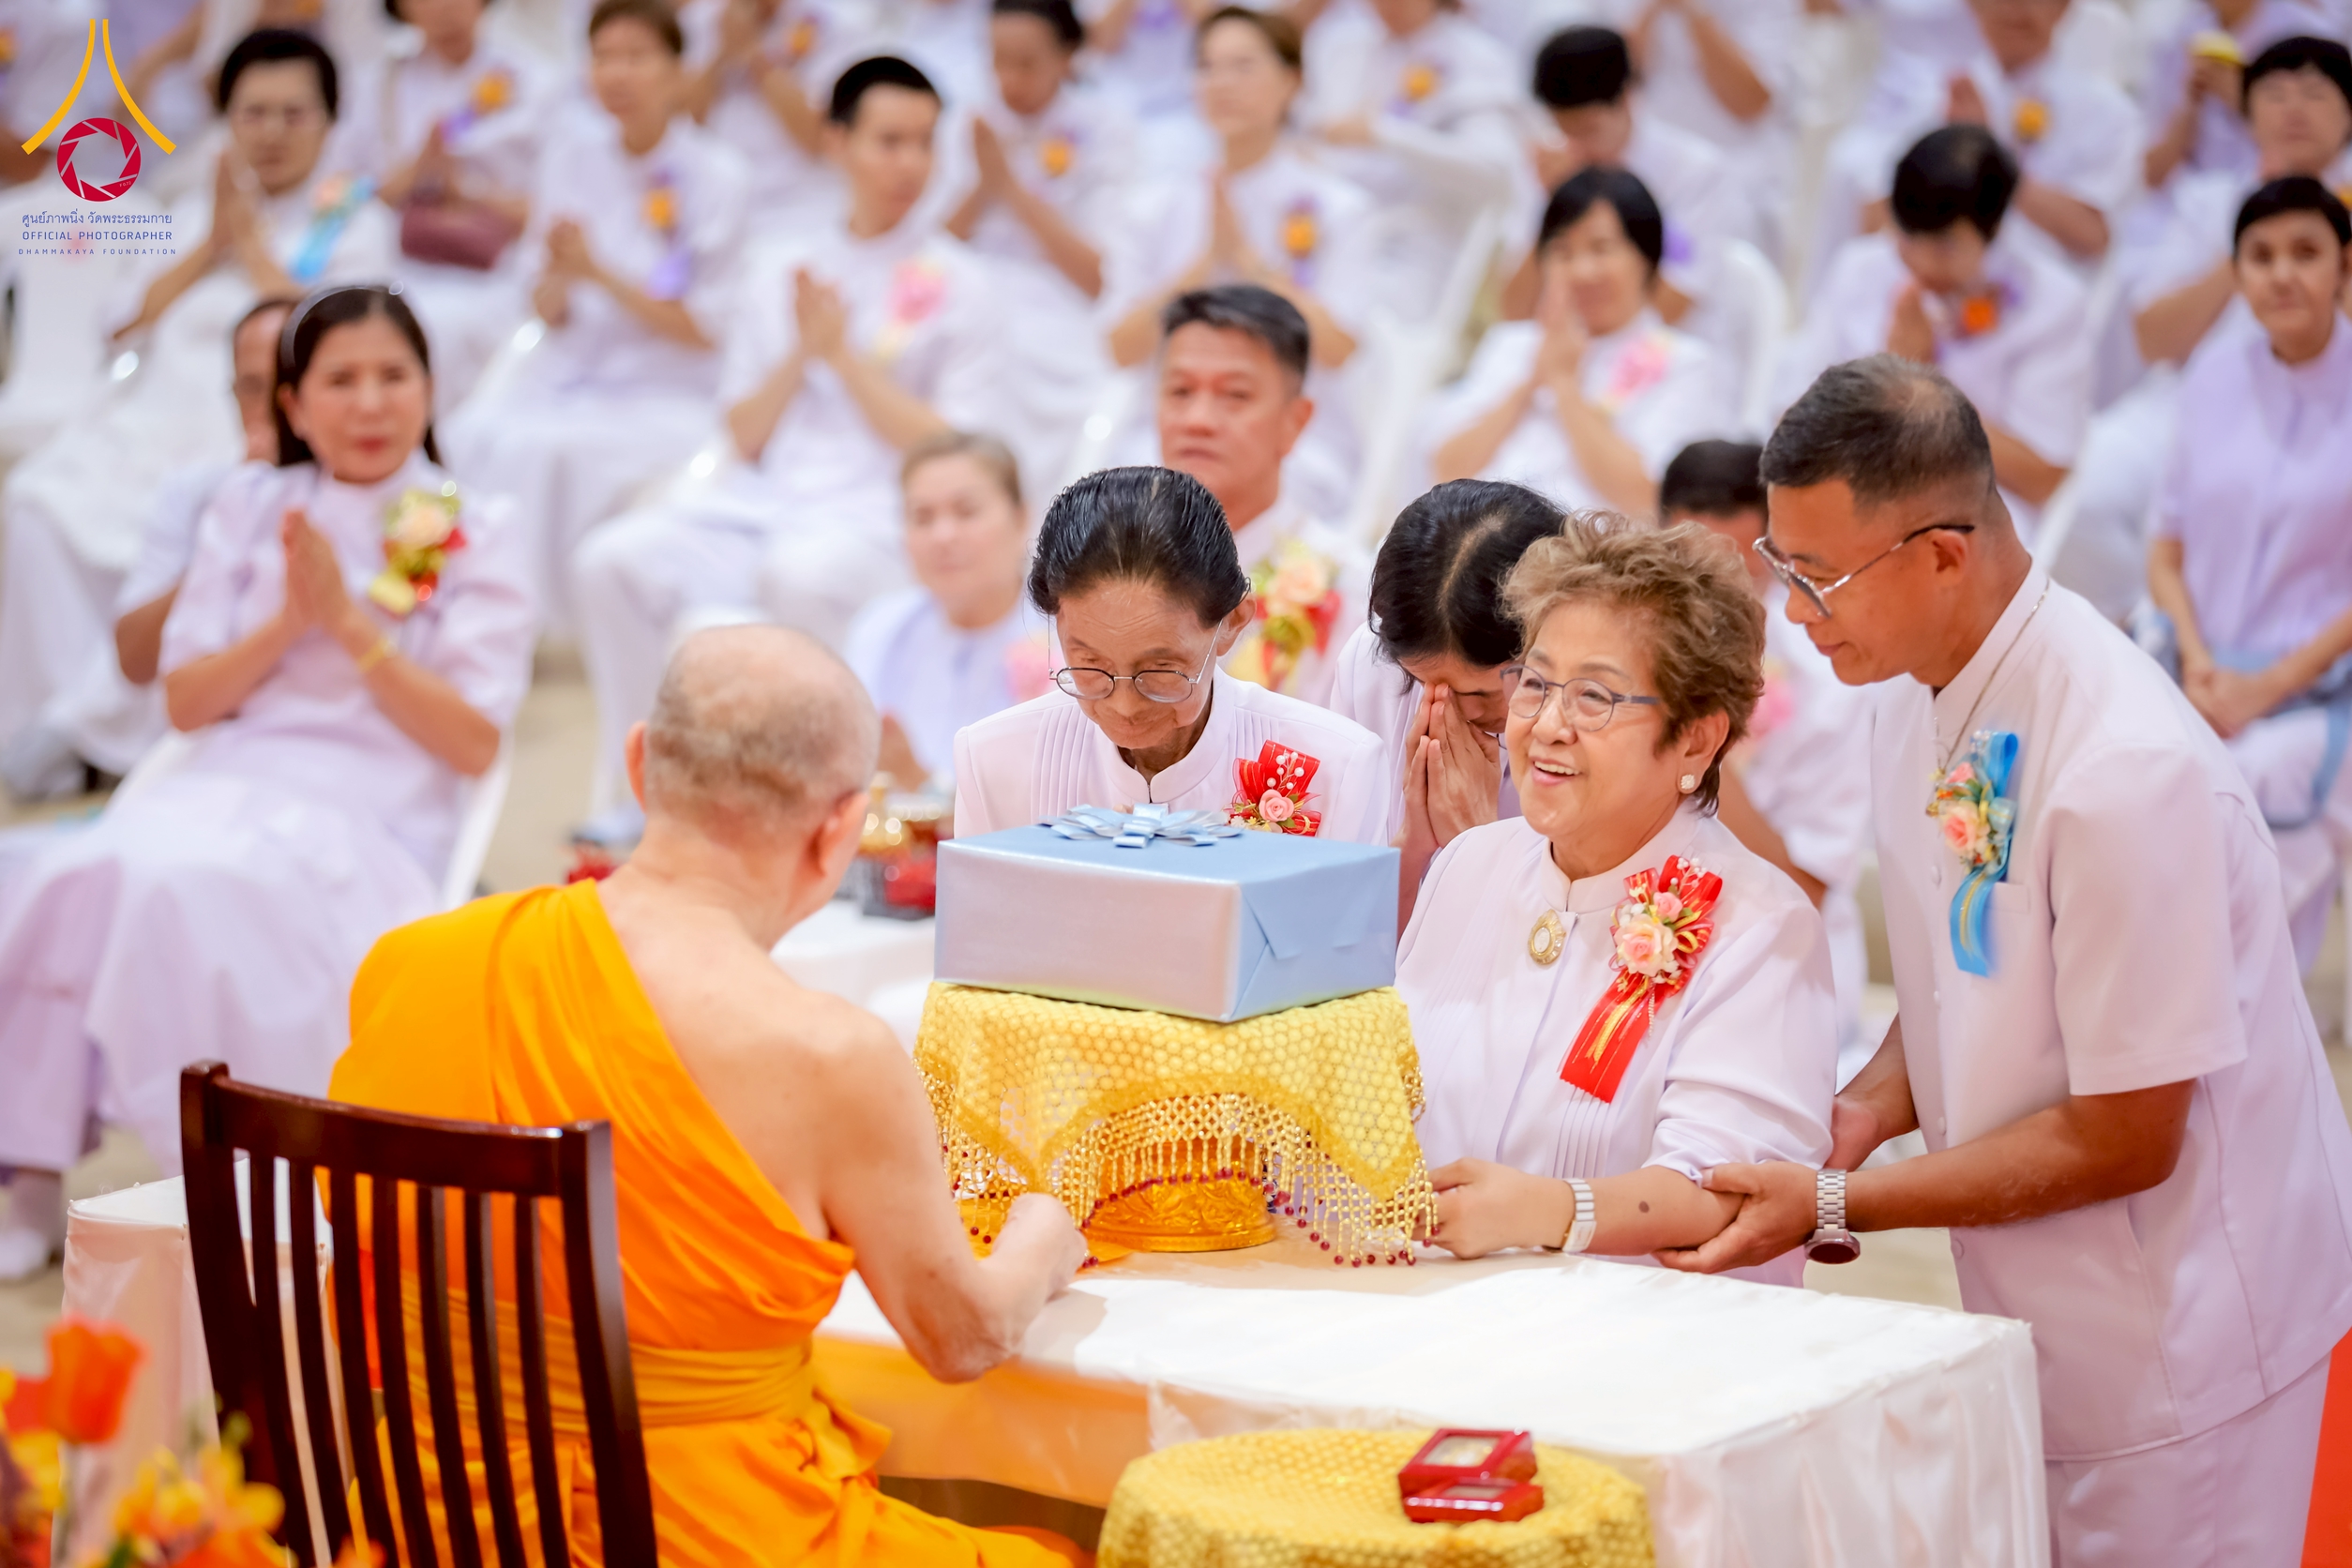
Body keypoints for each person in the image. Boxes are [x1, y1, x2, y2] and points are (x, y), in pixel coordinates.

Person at [1673, 354, 2352, 1567]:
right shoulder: (1908, 683)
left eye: (1819, 575)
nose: (1796, 613)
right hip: (2036, 1296)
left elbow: (2127, 1134)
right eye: (1785, 566)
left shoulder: (2127, 767)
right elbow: (1954, 976)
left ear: (1943, 553)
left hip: (2183, 1328)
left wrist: (1836, 1201)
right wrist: (1855, 1115)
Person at [331, 625, 1090, 1567]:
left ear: (640, 763)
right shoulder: (830, 1056)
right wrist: (1047, 1233)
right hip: (702, 1534)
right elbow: (963, 1340)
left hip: (435, 1525)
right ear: (839, 829)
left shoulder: (415, 964)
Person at [0, 285, 534, 1279]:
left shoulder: (474, 521)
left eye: (393, 376)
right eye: (341, 380)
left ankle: (242, 1181)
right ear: (291, 405)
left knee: (183, 884)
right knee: (82, 872)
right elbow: (189, 701)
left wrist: (349, 626)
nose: (370, 404)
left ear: (430, 388)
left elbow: (469, 741)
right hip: (229, 772)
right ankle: (30, 1167)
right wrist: (291, 622)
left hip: (373, 803)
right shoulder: (249, 506)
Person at [1405, 520, 1838, 1288]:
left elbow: (1728, 1189)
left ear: (1697, 742)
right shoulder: (1470, 863)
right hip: (1438, 1315)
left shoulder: (1760, 927)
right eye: (1535, 683)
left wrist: (1545, 1210)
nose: (1546, 726)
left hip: (1644, 1350)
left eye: (1595, 698)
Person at [572, 54, 1003, 814]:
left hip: (877, 513)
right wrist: (805, 351)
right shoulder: (784, 265)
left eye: (924, 142)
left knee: (800, 574)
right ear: (836, 143)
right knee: (611, 562)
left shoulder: (962, 283)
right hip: (764, 503)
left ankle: (816, 804)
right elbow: (741, 433)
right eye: (888, 140)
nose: (911, 163)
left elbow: (955, 450)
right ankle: (640, 792)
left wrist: (843, 357)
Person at [0, 28, 395, 798]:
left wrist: (248, 248)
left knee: (203, 515)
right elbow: (123, 321)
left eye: (292, 114)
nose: (272, 134)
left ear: (328, 121)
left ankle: (139, 730)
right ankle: (64, 722)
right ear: (226, 120)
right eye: (253, 114)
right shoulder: (188, 210)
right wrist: (210, 242)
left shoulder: (354, 220)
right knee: (35, 505)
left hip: (254, 425)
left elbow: (342, 337)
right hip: (153, 413)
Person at [442, 0, 749, 632]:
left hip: (665, 387)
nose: (617, 74)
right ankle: (467, 612)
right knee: (471, 434)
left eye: (636, 57)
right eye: (604, 58)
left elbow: (706, 329)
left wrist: (599, 270)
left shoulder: (719, 174)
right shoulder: (570, 158)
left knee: (546, 452)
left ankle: (525, 625)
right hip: (568, 368)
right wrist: (558, 275)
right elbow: (543, 306)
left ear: (675, 69)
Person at [2145, 178, 2352, 972]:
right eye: (2260, 256)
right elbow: (2166, 554)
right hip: (2203, 673)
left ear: (2343, 264)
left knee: (2250, 782)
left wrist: (2269, 688)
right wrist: (2200, 663)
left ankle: (2241, 1051)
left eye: (2306, 252)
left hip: (2324, 695)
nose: (2282, 274)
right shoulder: (2212, 378)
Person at [954, 465, 1387, 841]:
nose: (1124, 707)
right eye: (1091, 667)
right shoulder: (995, 759)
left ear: (1232, 623)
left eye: (1160, 670)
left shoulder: (1337, 767)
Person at [0, 298, 294, 799]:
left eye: (287, 384)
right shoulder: (200, 491)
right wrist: (237, 516)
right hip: (201, 747)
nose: (271, 407)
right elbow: (135, 660)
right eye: (251, 388)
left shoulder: (386, 497)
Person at [1101, 8, 1379, 520]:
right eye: (1207, 66)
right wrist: (1203, 264)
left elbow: (1338, 347)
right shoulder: (1154, 204)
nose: (1221, 82)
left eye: (1243, 66)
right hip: (1173, 434)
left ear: (1290, 81)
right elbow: (1120, 347)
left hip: (1296, 437)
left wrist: (1249, 263)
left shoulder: (1337, 206)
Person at [1661, 439, 1873, 1077]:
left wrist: (1696, 756)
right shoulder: (1621, 660)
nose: (1708, 601)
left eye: (1735, 570)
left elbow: (1806, 887)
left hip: (1786, 957)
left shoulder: (1833, 685)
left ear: (1773, 552)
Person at [1780, 125, 2089, 538]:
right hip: (1845, 489)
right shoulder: (1862, 268)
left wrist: (1921, 384)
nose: (1922, 263)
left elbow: (2042, 477)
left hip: (1968, 513)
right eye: (1907, 238)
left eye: (1944, 246)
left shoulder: (2050, 305)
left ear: (1993, 232)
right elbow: (1789, 412)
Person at [1428, 168, 1732, 520]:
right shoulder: (1512, 343)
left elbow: (1651, 499)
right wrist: (1531, 382)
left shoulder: (1684, 364)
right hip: (1481, 538)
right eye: (1563, 252)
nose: (1582, 271)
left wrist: (1565, 386)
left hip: (1591, 556)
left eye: (1601, 249)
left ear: (1646, 257)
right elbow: (1446, 471)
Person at [1811, 0, 2142, 284]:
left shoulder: (2107, 114)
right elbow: (1883, 216)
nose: (2014, 10)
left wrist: (1987, 148)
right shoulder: (1939, 96)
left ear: (2065, 5)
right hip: (1933, 292)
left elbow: (2093, 236)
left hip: (2038, 311)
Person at [942, 0, 1135, 479]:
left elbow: (1099, 276)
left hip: (1056, 307)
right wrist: (983, 186)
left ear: (1067, 57)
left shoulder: (1107, 131)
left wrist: (1009, 188)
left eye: (1026, 63)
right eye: (997, 61)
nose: (1009, 79)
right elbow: (932, 250)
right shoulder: (968, 123)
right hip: (968, 288)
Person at [1154, 284, 1368, 707]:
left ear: (1296, 421)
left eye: (1235, 395)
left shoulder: (1347, 588)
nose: (1198, 420)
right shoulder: (1111, 563)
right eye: (1180, 391)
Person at [846, 431, 1049, 793]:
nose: (943, 536)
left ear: (1021, 519)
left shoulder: (1059, 637)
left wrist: (922, 787)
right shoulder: (881, 628)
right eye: (922, 517)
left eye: (966, 511)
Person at [370, 0, 550, 408]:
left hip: (495, 271)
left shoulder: (533, 81)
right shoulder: (381, 82)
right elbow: (345, 196)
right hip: (397, 259)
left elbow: (557, 206)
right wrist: (417, 170)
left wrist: (466, 191)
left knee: (438, 331)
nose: (444, 9)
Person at [1294, 0, 1522, 312]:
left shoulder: (1477, 58)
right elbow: (1312, 134)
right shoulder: (1341, 47)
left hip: (1414, 248)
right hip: (1329, 234)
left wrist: (1386, 135)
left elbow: (1496, 172)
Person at [1528, 25, 1764, 275]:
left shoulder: (1696, 174)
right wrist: (1556, 206)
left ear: (1627, 98)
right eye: (1564, 130)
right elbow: (1515, 305)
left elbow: (1676, 301)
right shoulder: (1553, 166)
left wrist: (1588, 203)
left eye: (1588, 130)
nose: (1576, 147)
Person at [679, 0, 884, 236]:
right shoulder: (699, 21)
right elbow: (680, 125)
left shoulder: (841, 25)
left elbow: (820, 139)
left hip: (799, 209)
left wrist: (753, 55)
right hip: (716, 207)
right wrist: (721, 55)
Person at [2138, 0, 2339, 197]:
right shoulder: (2178, 39)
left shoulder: (2308, 32)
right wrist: (2191, 105)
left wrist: (2242, 98)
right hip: (2198, 202)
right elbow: (2152, 174)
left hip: (2286, 194)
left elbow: (2329, 150)